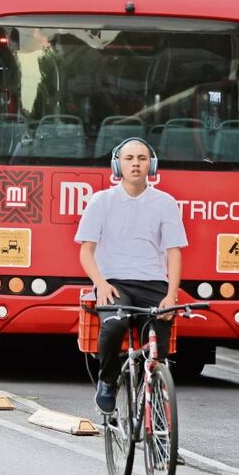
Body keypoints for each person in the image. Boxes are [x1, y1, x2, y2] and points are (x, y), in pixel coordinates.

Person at [75, 138, 188, 414]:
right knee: (113, 326)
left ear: (152, 164)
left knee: (157, 351)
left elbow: (174, 253)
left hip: (154, 284)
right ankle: (107, 381)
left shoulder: (165, 203)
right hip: (114, 284)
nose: (136, 164)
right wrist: (100, 283)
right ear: (117, 164)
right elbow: (86, 252)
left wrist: (171, 295)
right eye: (129, 158)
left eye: (142, 158)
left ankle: (158, 418)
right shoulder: (101, 201)